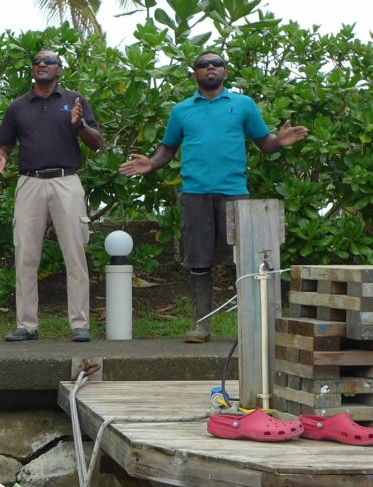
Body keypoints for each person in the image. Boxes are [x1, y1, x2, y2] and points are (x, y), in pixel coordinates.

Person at [120, 51, 308, 342]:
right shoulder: (181, 110)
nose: (211, 67)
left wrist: (279, 141)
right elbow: (168, 148)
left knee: (242, 262)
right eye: (203, 65)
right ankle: (201, 326)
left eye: (217, 64)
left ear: (225, 72)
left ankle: (250, 329)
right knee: (198, 261)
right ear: (195, 74)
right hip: (195, 195)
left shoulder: (243, 105)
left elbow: (265, 143)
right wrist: (152, 163)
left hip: (234, 195)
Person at [0, 50, 102, 343]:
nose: (41, 65)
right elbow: (4, 145)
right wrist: (0, 157)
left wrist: (80, 124)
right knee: (25, 255)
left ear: (59, 70)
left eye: (48, 62)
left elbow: (97, 142)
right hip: (30, 182)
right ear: (32, 70)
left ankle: (80, 324)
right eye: (37, 62)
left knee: (74, 254)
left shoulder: (74, 100)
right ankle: (27, 324)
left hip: (67, 181)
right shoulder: (17, 107)